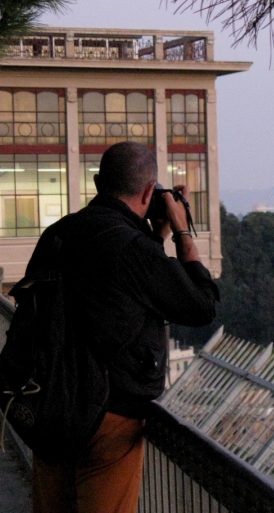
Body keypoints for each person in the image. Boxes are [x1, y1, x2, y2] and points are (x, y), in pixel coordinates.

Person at [29, 141, 219, 513]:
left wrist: (156, 237)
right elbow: (202, 305)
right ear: (150, 191)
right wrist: (180, 230)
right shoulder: (135, 250)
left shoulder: (57, 234)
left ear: (98, 182)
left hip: (49, 403)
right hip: (110, 417)